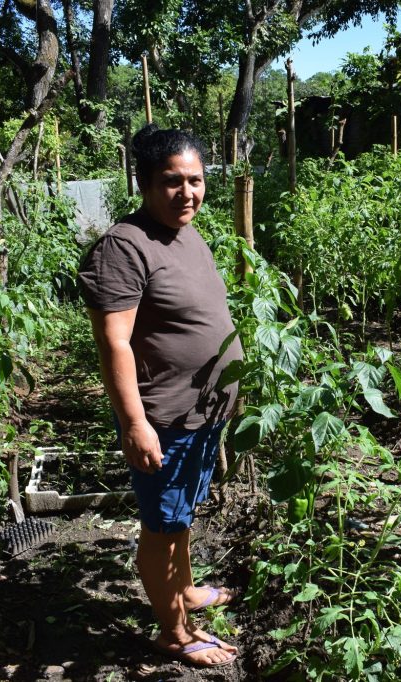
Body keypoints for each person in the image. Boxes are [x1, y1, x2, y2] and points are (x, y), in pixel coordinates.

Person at [77, 124, 243, 668]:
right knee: (163, 525)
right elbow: (114, 341)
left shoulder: (186, 233)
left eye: (195, 180)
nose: (187, 192)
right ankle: (173, 632)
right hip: (166, 417)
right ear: (145, 182)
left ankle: (186, 590)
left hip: (202, 414)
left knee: (181, 515)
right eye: (173, 181)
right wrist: (134, 423)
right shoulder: (126, 246)